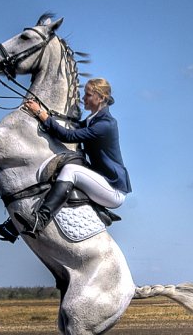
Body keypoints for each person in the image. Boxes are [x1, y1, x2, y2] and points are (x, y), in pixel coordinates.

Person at [12, 77, 131, 239]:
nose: (84, 98)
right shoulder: (92, 120)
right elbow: (70, 126)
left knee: (71, 170)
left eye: (88, 95)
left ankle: (40, 221)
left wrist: (41, 113)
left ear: (101, 98)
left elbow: (68, 136)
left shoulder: (106, 124)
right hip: (100, 181)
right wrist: (46, 112)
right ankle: (12, 226)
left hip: (113, 189)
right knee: (62, 163)